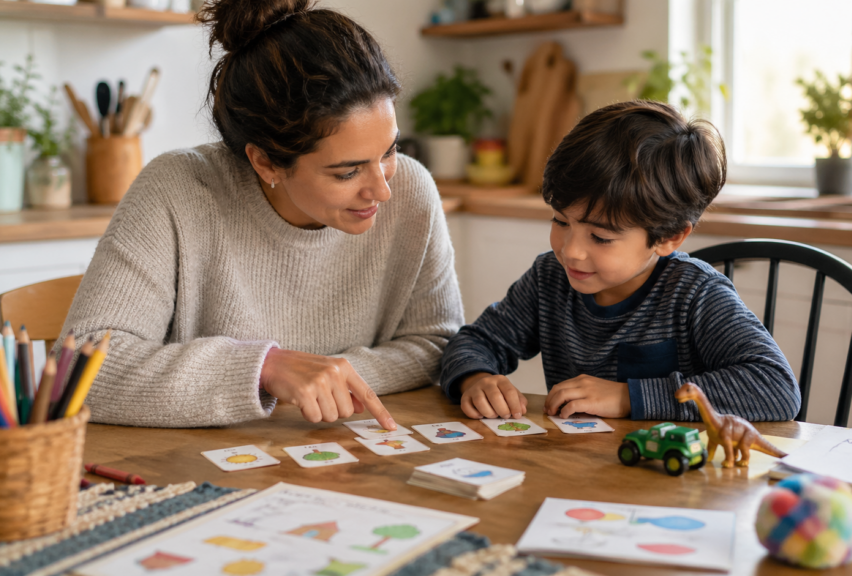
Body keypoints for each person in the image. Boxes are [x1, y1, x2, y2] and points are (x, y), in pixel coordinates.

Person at [55, 0, 463, 428]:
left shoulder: (411, 189)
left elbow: (438, 344)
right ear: (265, 163)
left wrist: (326, 376)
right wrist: (264, 370)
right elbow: (77, 372)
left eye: (390, 150)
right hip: (196, 468)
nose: (382, 188)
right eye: (347, 172)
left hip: (345, 462)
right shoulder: (176, 191)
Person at [440, 100, 801, 422]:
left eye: (600, 237)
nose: (571, 251)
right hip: (581, 474)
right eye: (561, 221)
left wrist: (630, 397)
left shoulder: (695, 294)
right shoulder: (549, 278)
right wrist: (476, 378)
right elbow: (475, 341)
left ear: (669, 237)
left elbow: (776, 387)